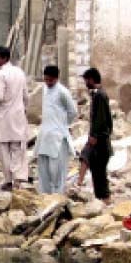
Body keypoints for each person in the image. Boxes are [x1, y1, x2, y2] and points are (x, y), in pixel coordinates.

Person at [0, 46, 29, 190]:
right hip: (18, 116)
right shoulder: (19, 72)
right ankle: (18, 179)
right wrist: (24, 109)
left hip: (4, 117)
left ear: (5, 58)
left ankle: (8, 181)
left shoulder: (0, 74)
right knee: (18, 148)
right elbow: (26, 95)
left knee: (4, 149)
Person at [35, 65, 78, 194]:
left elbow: (73, 111)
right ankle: (45, 195)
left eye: (51, 80)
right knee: (43, 169)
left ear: (57, 78)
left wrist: (64, 125)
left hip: (58, 136)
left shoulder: (63, 92)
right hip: (45, 135)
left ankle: (57, 196)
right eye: (46, 79)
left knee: (57, 170)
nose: (48, 82)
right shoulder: (44, 89)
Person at [83, 67, 113, 204]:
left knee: (99, 171)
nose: (85, 83)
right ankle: (101, 198)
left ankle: (105, 199)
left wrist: (94, 135)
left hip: (100, 140)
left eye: (86, 80)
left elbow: (100, 119)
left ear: (91, 79)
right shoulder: (98, 94)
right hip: (101, 139)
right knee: (96, 169)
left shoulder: (100, 95)